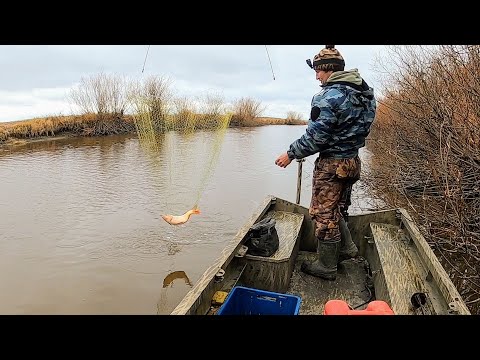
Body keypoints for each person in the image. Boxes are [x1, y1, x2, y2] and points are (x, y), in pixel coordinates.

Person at [275, 45, 376, 280]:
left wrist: (291, 154)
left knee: (324, 215)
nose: (317, 77)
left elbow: (317, 137)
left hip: (332, 165)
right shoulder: (365, 93)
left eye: (318, 72)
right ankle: (347, 250)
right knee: (338, 209)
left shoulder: (328, 96)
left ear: (329, 70)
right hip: (352, 162)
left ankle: (327, 266)